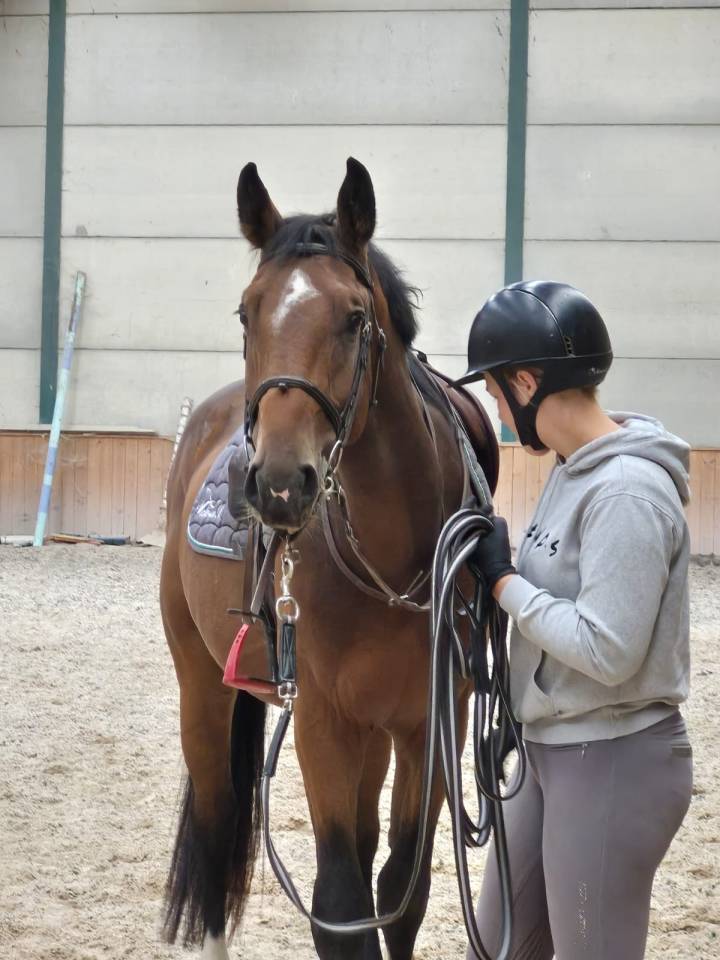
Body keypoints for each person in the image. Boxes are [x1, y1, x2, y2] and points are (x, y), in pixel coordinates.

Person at [455, 280, 693, 960]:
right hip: (551, 748)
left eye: (498, 394)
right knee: (497, 948)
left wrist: (504, 584)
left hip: (611, 756)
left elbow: (608, 648)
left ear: (527, 382)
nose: (499, 411)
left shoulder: (625, 493)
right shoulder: (570, 471)